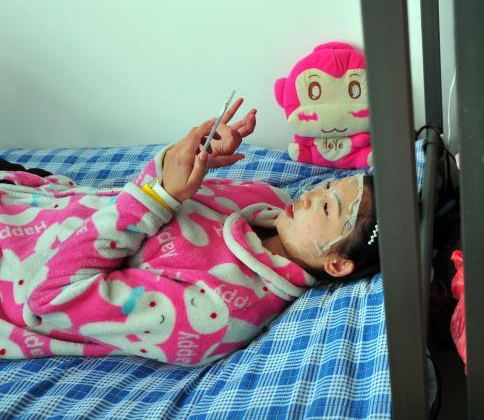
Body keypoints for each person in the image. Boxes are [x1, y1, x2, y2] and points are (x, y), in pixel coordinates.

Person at [0, 99, 379, 365]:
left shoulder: (217, 312)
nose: (311, 195)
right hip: (32, 192)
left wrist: (161, 196)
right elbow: (144, 195)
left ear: (337, 264)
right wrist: (190, 158)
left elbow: (47, 297)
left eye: (328, 207)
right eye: (327, 186)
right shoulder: (266, 199)